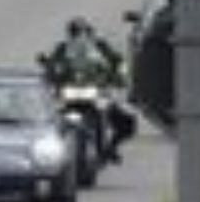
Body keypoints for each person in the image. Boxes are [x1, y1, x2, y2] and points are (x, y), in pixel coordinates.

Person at [41, 17, 136, 164]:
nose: (80, 35)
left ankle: (111, 147)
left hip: (96, 90)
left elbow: (118, 61)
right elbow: (52, 65)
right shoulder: (63, 48)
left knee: (126, 121)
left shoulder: (100, 46)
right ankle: (53, 151)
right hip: (71, 92)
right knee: (50, 119)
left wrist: (119, 76)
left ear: (90, 33)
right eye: (76, 32)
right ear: (70, 34)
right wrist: (50, 72)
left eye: (83, 32)